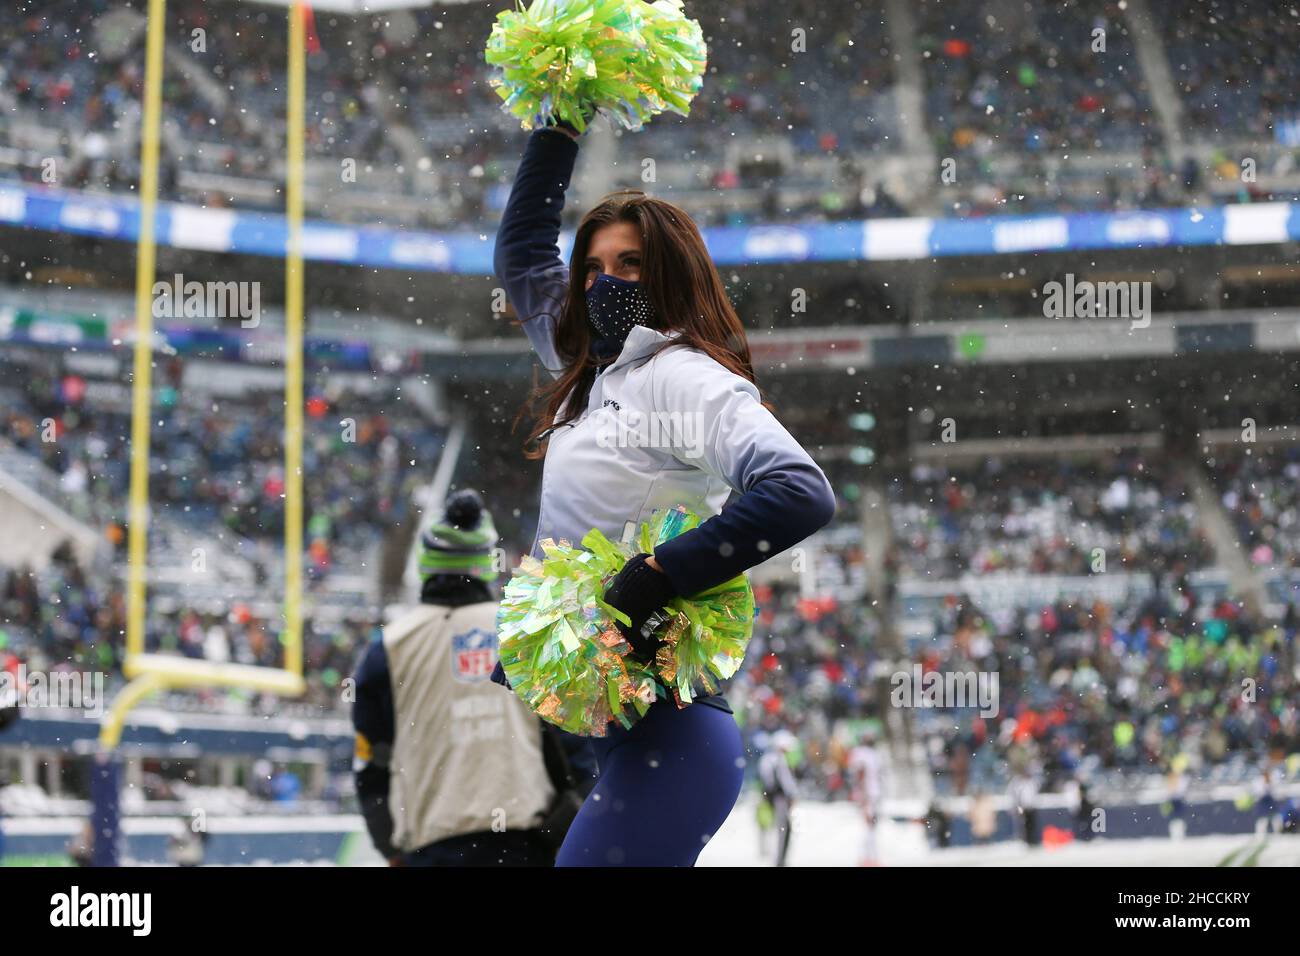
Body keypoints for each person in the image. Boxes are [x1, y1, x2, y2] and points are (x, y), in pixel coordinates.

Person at [491, 115, 836, 866]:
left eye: (631, 266)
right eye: (592, 267)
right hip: (606, 729)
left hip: (671, 737)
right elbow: (520, 253)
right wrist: (560, 121)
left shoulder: (680, 374)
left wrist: (658, 574)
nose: (604, 284)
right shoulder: (588, 363)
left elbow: (800, 490)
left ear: (670, 274)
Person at [352, 490, 591, 866]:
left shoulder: (387, 649)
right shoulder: (523, 631)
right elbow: (574, 743)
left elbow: (371, 766)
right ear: (484, 562)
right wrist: (563, 821)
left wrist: (389, 846)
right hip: (523, 846)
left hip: (431, 849)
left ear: (427, 563)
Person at [756, 730, 799, 867]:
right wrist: (791, 795)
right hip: (779, 798)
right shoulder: (778, 759)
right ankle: (780, 860)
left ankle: (772, 855)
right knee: (784, 829)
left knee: (772, 828)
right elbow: (786, 782)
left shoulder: (766, 759)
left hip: (770, 798)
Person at [848, 729, 887, 865]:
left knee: (872, 827)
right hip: (868, 795)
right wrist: (863, 796)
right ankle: (867, 858)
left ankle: (871, 857)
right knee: (867, 827)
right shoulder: (861, 753)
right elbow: (860, 775)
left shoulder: (874, 753)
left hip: (874, 794)